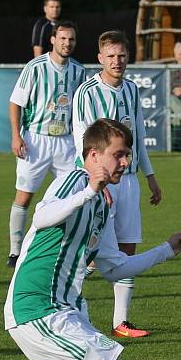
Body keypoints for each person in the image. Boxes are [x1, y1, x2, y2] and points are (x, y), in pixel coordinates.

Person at [5, 118, 181, 360]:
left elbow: (114, 267)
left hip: (65, 309)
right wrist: (88, 191)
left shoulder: (102, 201)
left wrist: (165, 251)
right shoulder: (75, 182)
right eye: (118, 155)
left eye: (127, 155)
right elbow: (41, 218)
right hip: (36, 309)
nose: (125, 162)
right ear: (93, 155)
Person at [73, 30, 163, 339]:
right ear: (100, 58)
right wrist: (97, 184)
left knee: (127, 246)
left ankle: (121, 322)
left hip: (128, 180)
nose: (117, 61)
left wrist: (149, 175)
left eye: (121, 55)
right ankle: (68, 310)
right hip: (99, 182)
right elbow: (81, 142)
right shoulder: (87, 93)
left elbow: (137, 135)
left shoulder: (133, 90)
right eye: (110, 56)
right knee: (88, 251)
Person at [8, 21, 85, 269]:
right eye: (63, 38)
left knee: (73, 196)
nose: (67, 43)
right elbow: (15, 102)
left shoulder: (78, 71)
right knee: (24, 195)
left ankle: (68, 249)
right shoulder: (35, 67)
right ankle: (15, 251)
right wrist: (16, 136)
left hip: (65, 142)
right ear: (53, 39)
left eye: (71, 39)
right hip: (35, 140)